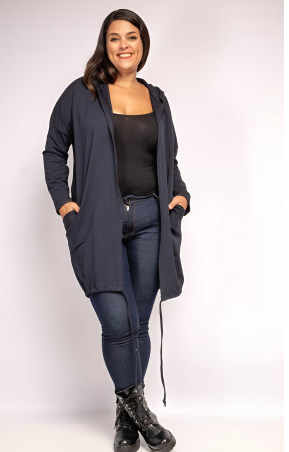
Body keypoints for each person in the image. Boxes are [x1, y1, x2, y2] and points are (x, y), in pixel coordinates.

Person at [42, 9, 191, 452]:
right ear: (104, 45)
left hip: (151, 219)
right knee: (116, 321)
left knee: (138, 323)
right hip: (98, 221)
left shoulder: (157, 98)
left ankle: (125, 420)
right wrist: (65, 204)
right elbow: (54, 150)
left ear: (143, 43)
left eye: (131, 36)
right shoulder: (82, 93)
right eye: (114, 38)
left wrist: (181, 196)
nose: (124, 45)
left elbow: (169, 159)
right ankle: (143, 415)